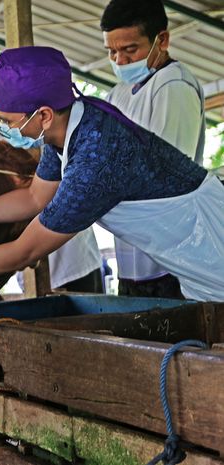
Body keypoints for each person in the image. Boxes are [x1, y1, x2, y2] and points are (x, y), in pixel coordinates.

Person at [0, 46, 224, 302]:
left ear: (43, 114)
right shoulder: (64, 129)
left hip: (210, 244)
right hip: (185, 251)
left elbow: (26, 251)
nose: (2, 128)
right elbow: (34, 196)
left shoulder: (95, 160)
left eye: (6, 120)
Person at [0, 55, 103, 293]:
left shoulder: (35, 128)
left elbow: (42, 189)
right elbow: (22, 197)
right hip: (23, 253)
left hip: (70, 253)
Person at [101, 0, 206, 298]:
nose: (119, 60)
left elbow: (163, 171)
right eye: (112, 51)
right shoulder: (116, 94)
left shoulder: (173, 85)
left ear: (162, 39)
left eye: (130, 49)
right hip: (132, 255)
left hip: (171, 256)